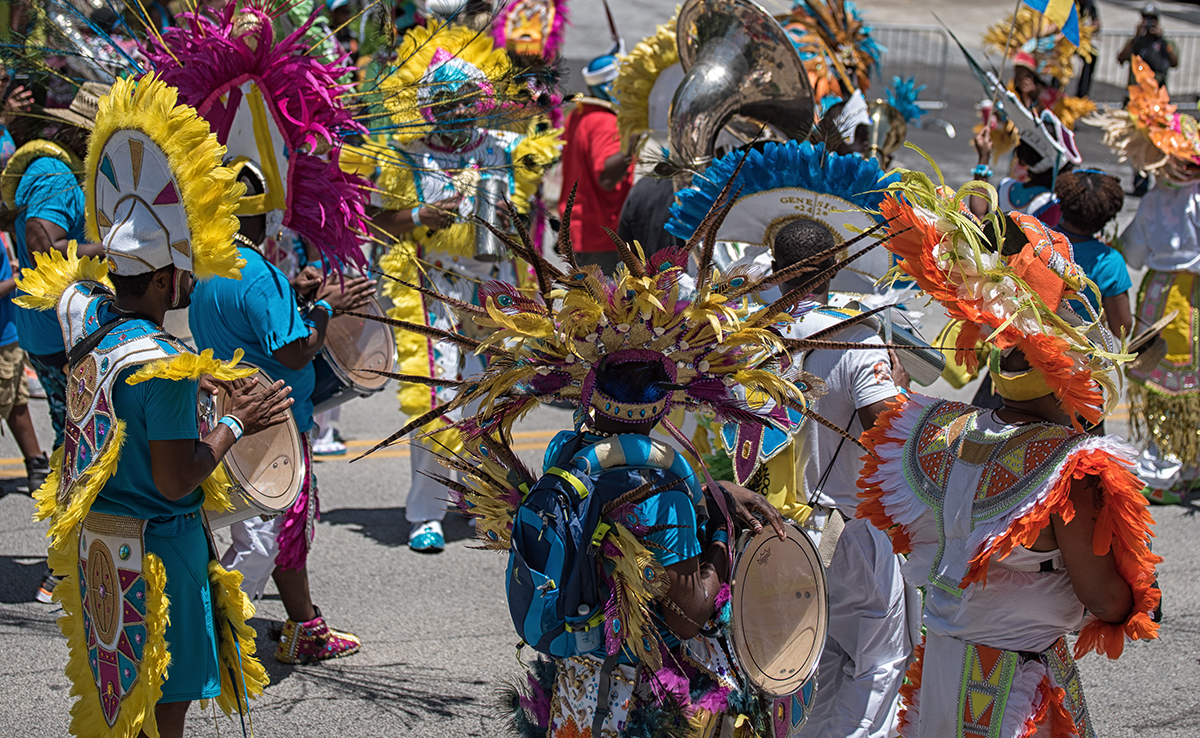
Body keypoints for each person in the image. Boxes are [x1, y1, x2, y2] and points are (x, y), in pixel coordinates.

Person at [387, 190, 835, 737]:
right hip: (638, 701)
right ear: (665, 402)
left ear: (590, 392)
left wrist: (709, 492)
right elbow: (687, 614)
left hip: (576, 688)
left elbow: (613, 512)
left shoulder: (568, 455)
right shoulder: (664, 489)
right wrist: (720, 535)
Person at [22, 73, 285, 738]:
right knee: (161, 712)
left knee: (123, 708)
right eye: (185, 271)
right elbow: (176, 478)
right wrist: (237, 422)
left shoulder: (89, 319)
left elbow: (69, 289)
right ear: (167, 278)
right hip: (159, 559)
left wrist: (201, 382)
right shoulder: (162, 366)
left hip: (102, 549)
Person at [859, 173, 1161, 737]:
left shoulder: (939, 429)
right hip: (1009, 681)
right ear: (1066, 378)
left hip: (942, 663)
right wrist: (1139, 599)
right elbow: (1102, 597)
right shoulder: (1068, 467)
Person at [147, 4, 371, 662]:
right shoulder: (259, 273)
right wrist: (325, 307)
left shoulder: (213, 264)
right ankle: (215, 628)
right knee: (275, 534)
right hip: (272, 420)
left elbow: (248, 323)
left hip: (230, 411)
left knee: (267, 531)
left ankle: (303, 626)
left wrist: (298, 296)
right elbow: (295, 349)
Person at [369, 21, 560, 553]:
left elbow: (539, 186)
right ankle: (426, 511)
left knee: (492, 398)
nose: (457, 114)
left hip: (494, 287)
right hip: (435, 286)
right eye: (446, 105)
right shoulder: (407, 154)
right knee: (437, 396)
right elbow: (375, 220)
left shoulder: (506, 147)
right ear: (429, 106)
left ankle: (485, 500)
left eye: (466, 104)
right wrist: (419, 214)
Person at [768, 220, 916, 738]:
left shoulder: (751, 336)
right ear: (834, 268)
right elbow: (889, 432)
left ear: (775, 270)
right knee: (878, 659)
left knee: (811, 659)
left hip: (774, 529)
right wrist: (900, 387)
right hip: (849, 530)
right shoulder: (857, 338)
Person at [1092, 57, 1200, 503]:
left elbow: (1131, 253)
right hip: (1170, 295)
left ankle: (1170, 469)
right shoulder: (1163, 197)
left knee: (1173, 385)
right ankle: (1179, 466)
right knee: (1175, 384)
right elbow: (1132, 250)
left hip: (1174, 295)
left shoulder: (1168, 198)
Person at [557, 51, 635, 273]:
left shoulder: (579, 114)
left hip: (580, 230)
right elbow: (607, 179)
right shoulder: (606, 122)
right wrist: (635, 137)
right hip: (602, 235)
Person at [1054, 169, 1132, 339]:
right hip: (1077, 351)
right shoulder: (1109, 261)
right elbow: (1122, 328)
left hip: (1027, 344)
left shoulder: (1036, 238)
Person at [1118, 4, 1178, 88]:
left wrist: (1162, 39)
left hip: (1156, 91)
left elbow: (1174, 63)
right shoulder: (1135, 42)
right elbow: (1121, 59)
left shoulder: (1165, 43)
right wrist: (1136, 38)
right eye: (1146, 19)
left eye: (1152, 19)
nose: (1149, 23)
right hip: (1137, 90)